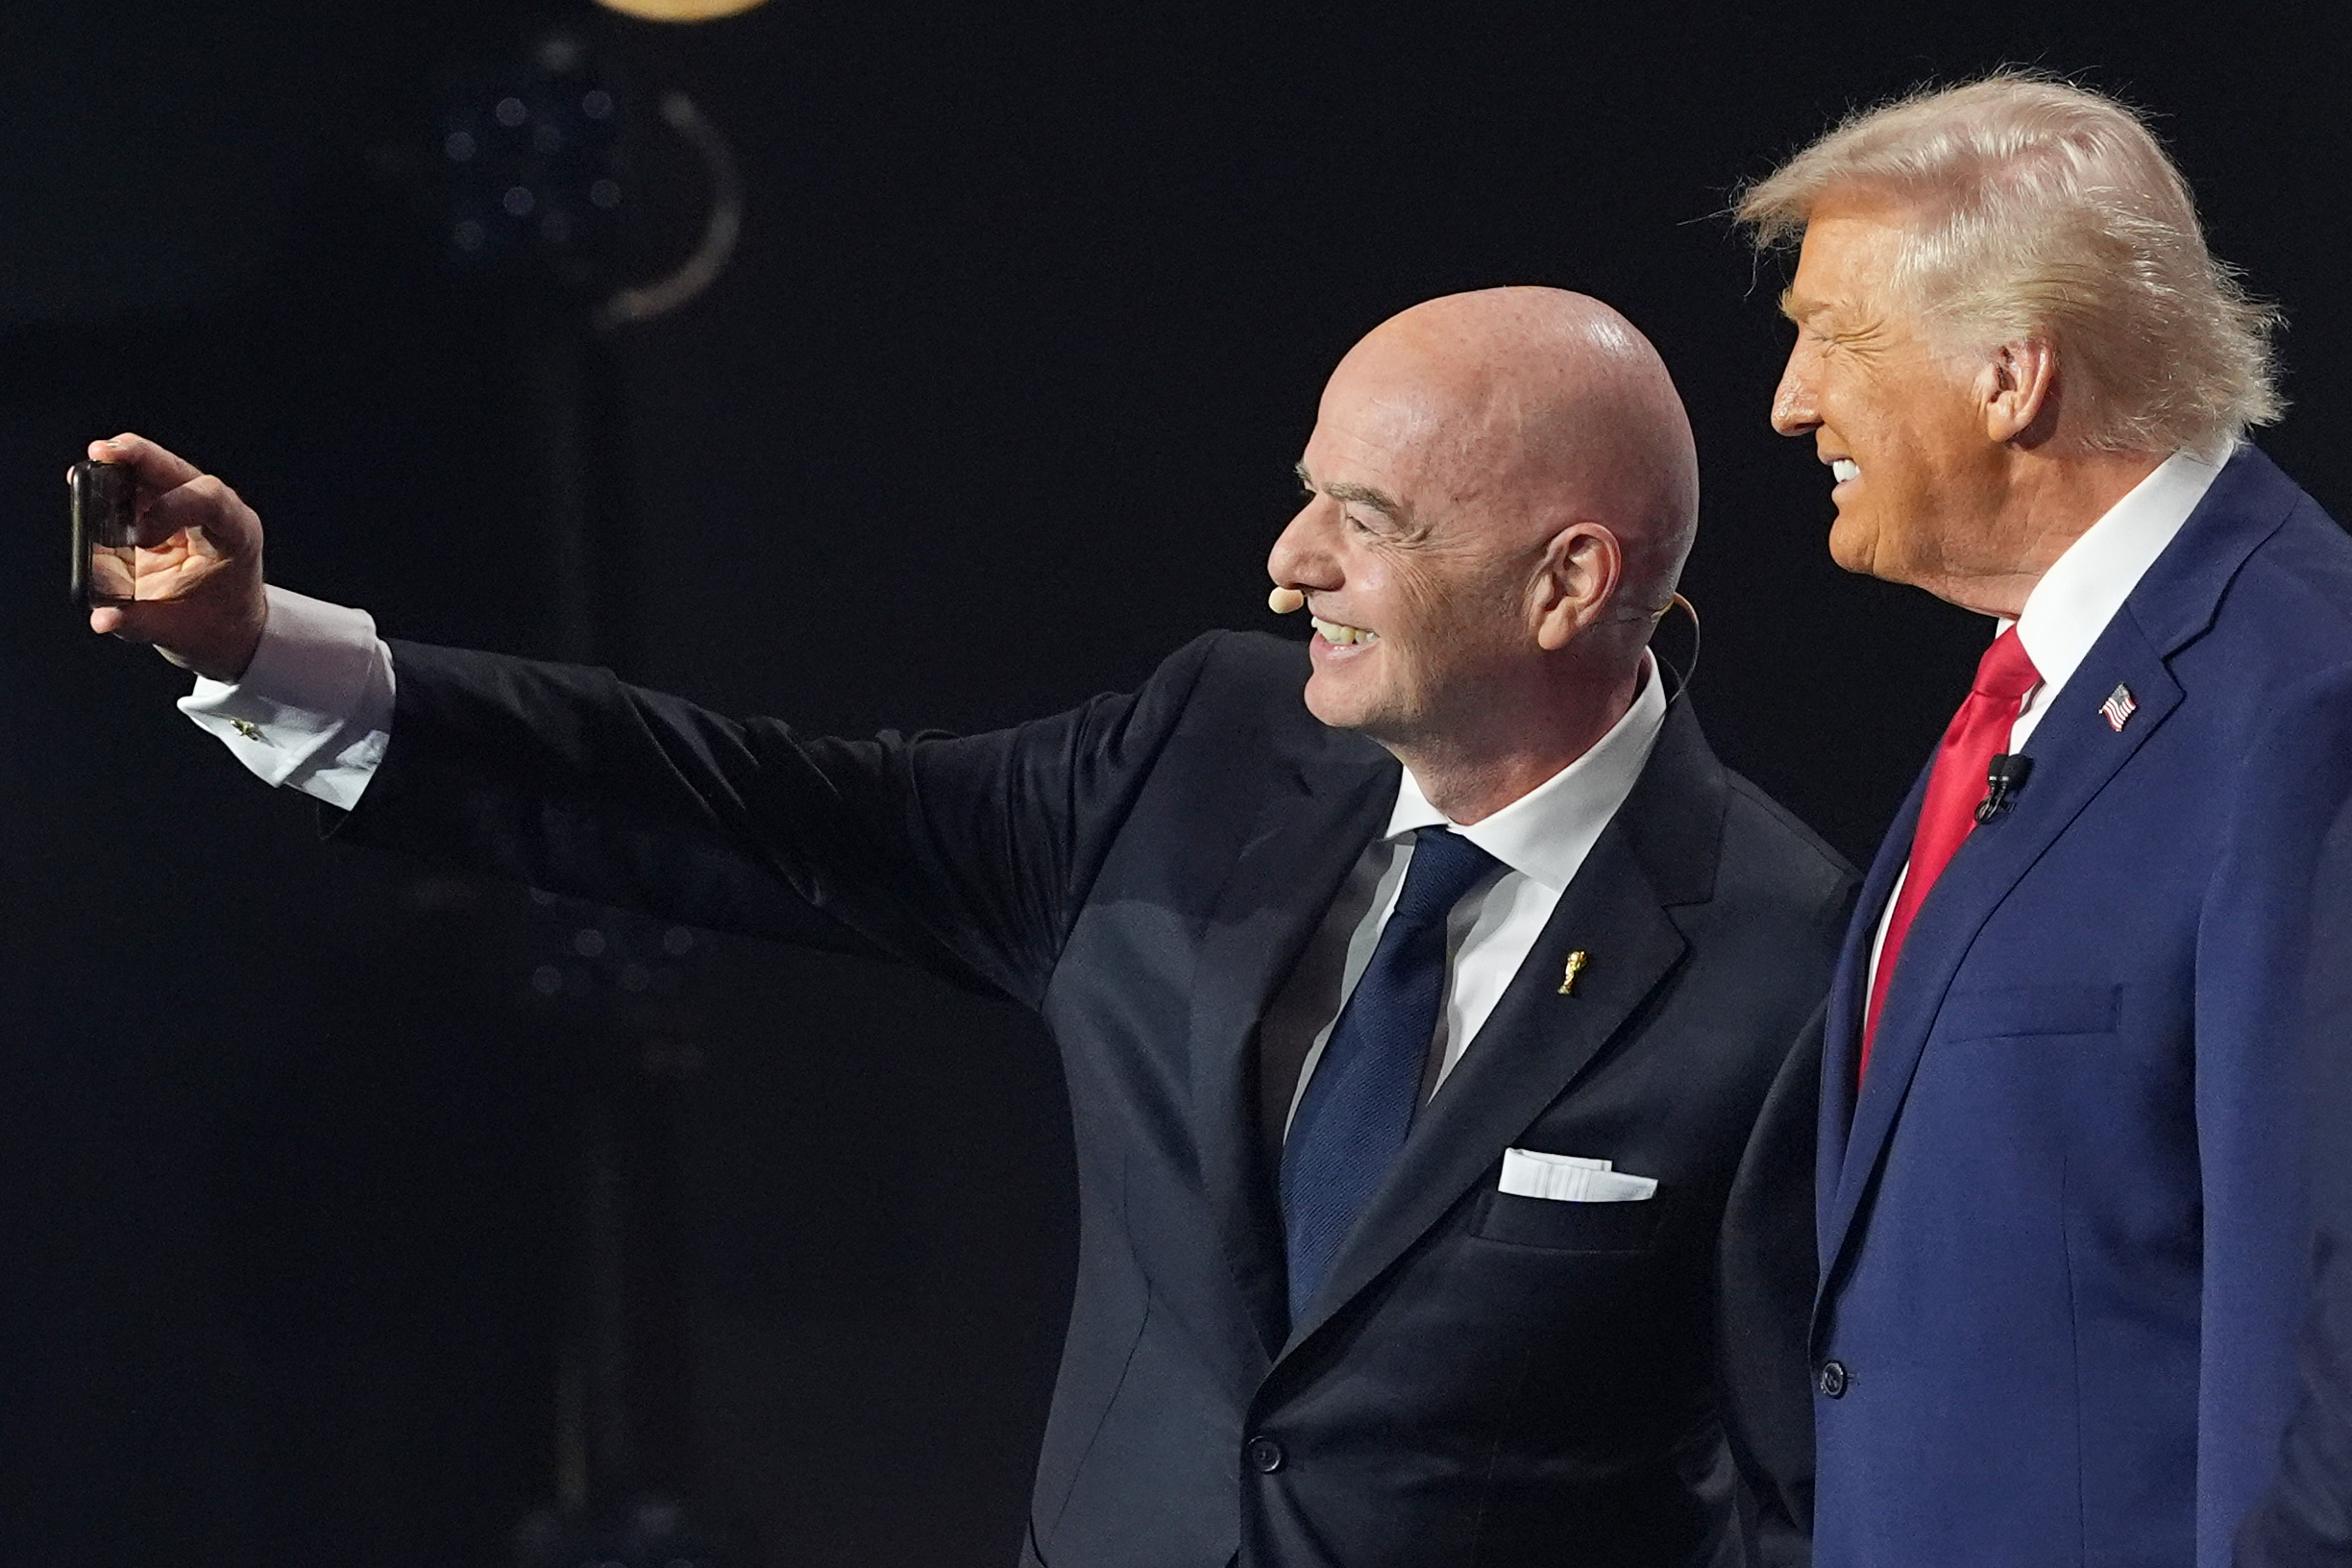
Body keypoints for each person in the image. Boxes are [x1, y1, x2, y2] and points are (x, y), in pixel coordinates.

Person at [91, 287, 1853, 1568]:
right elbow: (759, 808)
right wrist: (262, 656)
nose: (1287, 558)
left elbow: (1813, 1492)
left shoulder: (1784, 957)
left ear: (1569, 582)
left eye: (1365, 521)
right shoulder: (1202, 759)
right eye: (1310, 488)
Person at [1737, 74, 2352, 1568]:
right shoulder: (2040, 692)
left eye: (1836, 334)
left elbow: (2323, 1351)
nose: (1791, 401)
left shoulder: (2302, 705)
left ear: (2011, 374)